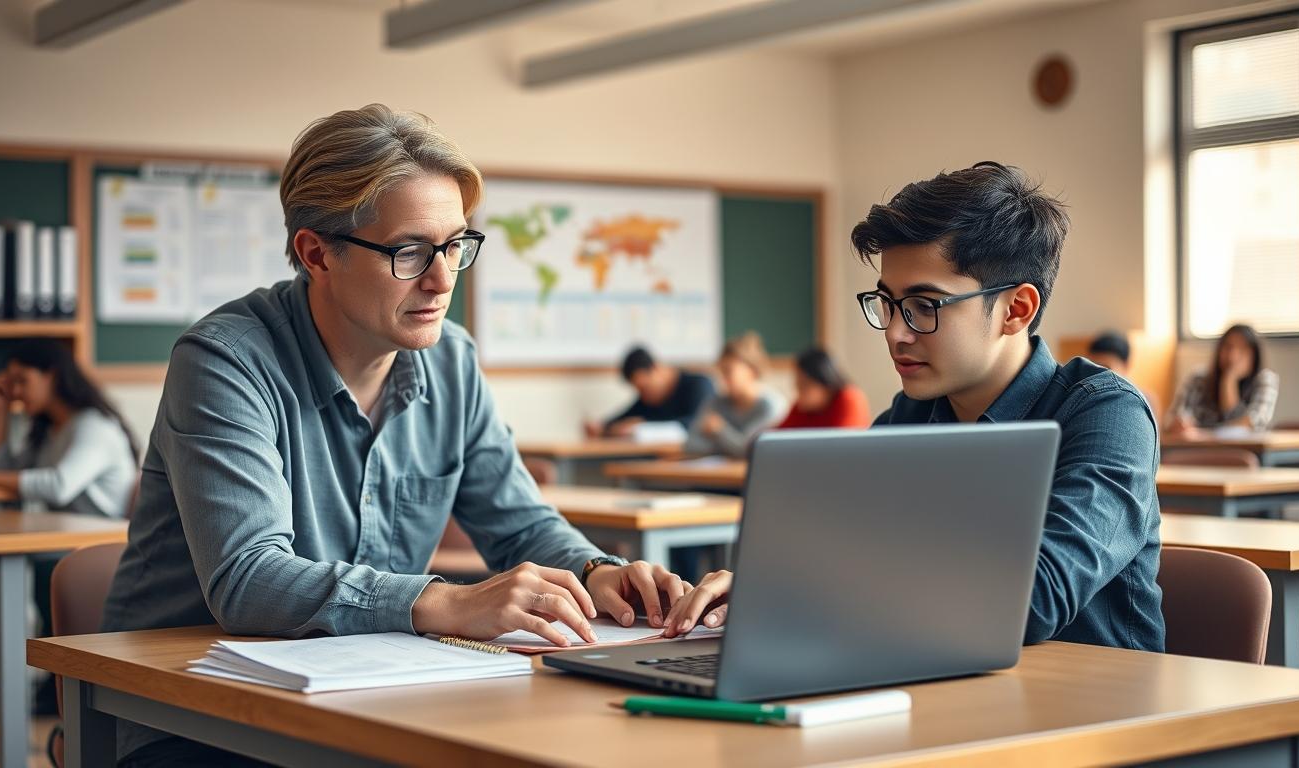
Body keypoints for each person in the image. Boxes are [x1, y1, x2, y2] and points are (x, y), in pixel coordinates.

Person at [99, 105, 692, 766]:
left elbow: (522, 527)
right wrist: (448, 602)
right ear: (316, 253)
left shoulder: (453, 361)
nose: (442, 280)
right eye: (409, 252)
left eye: (455, 246)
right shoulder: (225, 361)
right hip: (196, 715)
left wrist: (597, 571)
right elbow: (247, 578)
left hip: (376, 695)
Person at [665, 162, 1164, 655]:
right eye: (887, 302)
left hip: (1092, 716)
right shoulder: (909, 417)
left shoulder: (1105, 414)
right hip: (938, 686)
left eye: (925, 306)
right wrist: (769, 587)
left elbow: (1029, 601)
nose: (896, 333)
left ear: (1017, 310)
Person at [0, 338, 138, 714]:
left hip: (101, 544)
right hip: (67, 542)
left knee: (46, 567)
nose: (15, 391)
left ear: (52, 374)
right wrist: (2, 412)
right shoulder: (49, 429)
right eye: (9, 384)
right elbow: (6, 473)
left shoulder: (93, 426)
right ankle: (54, 684)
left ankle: (58, 685)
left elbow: (57, 483)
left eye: (21, 381)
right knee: (37, 565)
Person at [684, 332, 786, 458]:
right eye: (721, 372)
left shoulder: (771, 406)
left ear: (752, 370)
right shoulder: (716, 402)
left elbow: (747, 450)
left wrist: (719, 431)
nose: (723, 379)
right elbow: (690, 445)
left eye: (729, 371)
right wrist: (731, 446)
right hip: (719, 474)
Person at [1165, 323, 1278, 435]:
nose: (1232, 356)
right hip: (1198, 449)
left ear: (1254, 355)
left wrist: (1229, 379)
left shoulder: (1265, 380)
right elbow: (1171, 418)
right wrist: (1179, 423)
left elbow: (1252, 422)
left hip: (1245, 450)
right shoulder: (1198, 379)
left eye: (1243, 349)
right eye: (1228, 347)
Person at [585, 346, 714, 438]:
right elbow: (624, 419)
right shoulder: (647, 399)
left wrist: (643, 427)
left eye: (644, 387)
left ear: (656, 368)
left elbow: (697, 424)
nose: (643, 394)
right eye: (639, 390)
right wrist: (602, 427)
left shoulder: (699, 385)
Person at [776, 347, 871, 429]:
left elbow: (843, 443)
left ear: (825, 382)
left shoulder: (850, 398)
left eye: (804, 385)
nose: (798, 390)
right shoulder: (802, 408)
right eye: (797, 384)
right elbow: (775, 437)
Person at [1086, 330, 1161, 417]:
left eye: (1106, 368)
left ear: (1126, 365)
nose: (1098, 375)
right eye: (1093, 367)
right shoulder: (1084, 398)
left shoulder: (1147, 401)